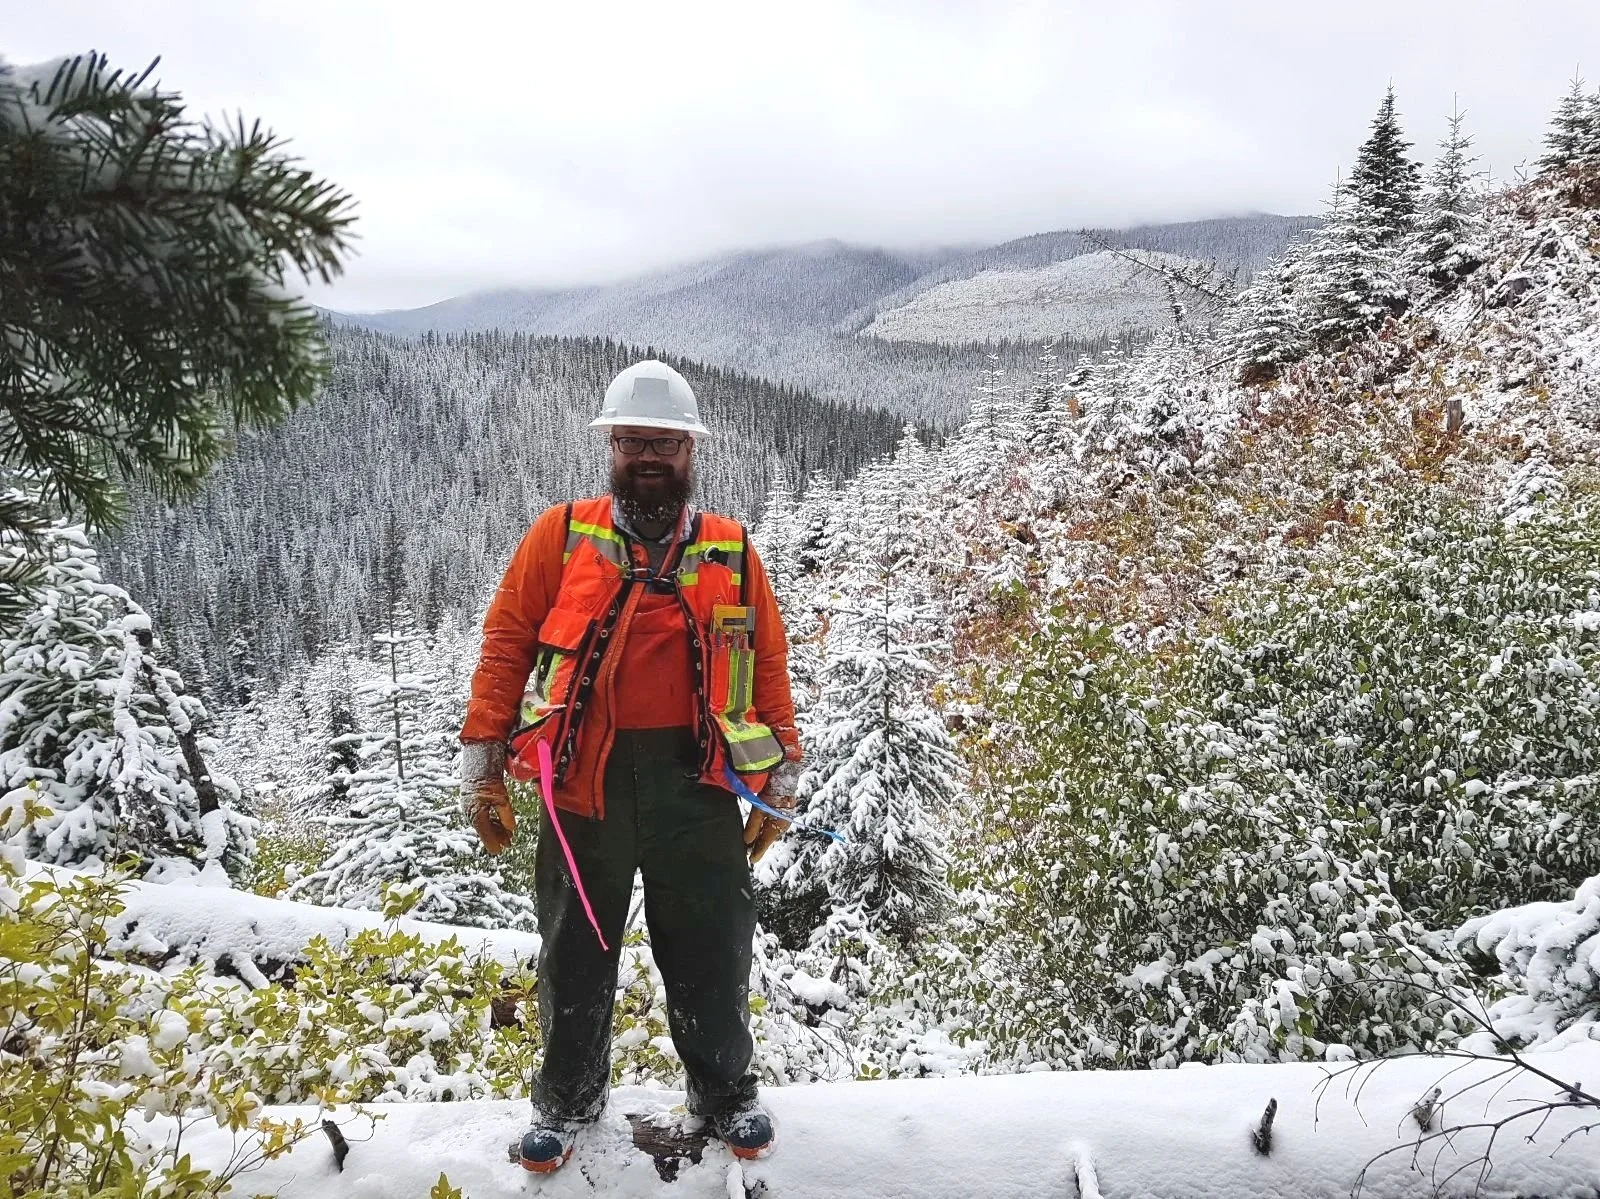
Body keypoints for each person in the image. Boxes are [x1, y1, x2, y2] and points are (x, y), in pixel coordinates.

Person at [458, 359, 803, 1174]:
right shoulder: (562, 536)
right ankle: (568, 1102)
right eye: (634, 442)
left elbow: (770, 659)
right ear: (611, 447)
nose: (649, 456)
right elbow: (507, 644)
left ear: (690, 453)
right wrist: (482, 765)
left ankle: (724, 1097)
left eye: (666, 444)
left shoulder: (729, 547)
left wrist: (780, 778)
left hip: (698, 781)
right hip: (584, 782)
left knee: (713, 941)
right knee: (574, 946)